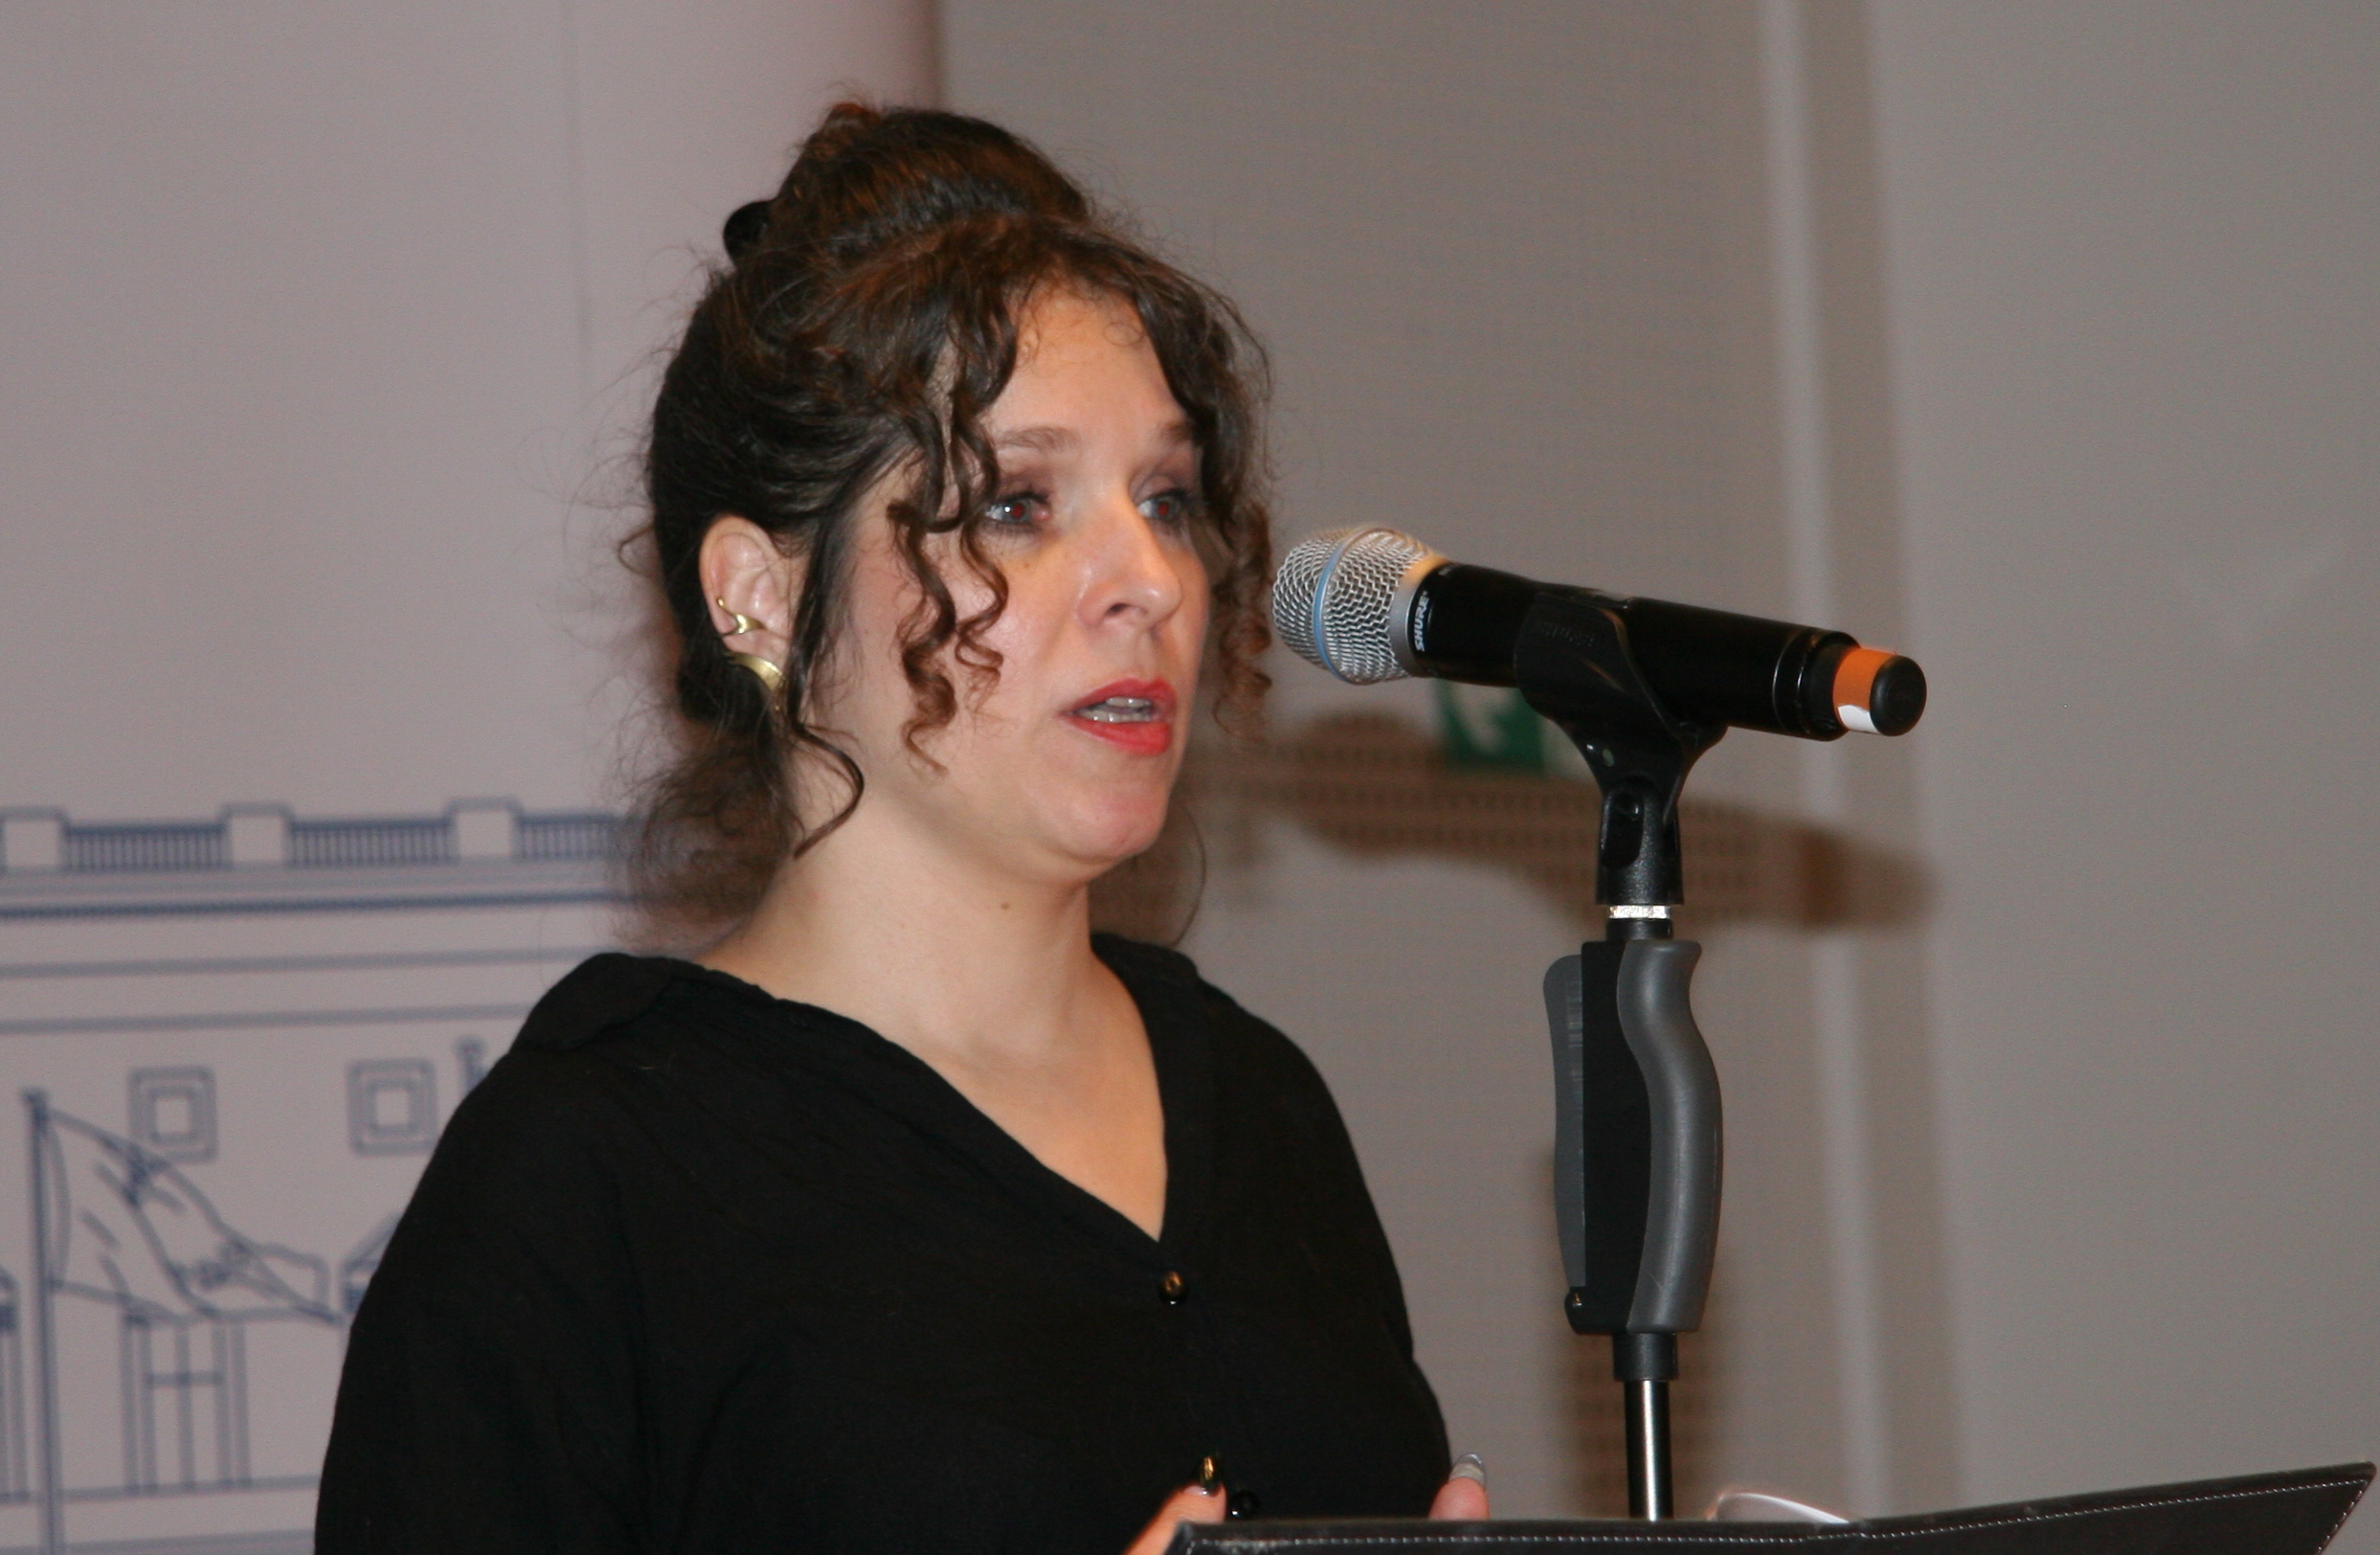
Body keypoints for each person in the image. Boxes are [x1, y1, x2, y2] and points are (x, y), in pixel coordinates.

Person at [316, 102, 1488, 1554]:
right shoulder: (587, 1172)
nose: (1148, 577)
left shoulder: (1261, 1099)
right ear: (758, 597)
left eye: (1166, 496)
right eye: (1015, 504)